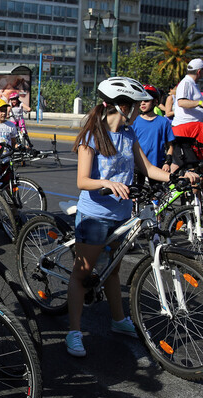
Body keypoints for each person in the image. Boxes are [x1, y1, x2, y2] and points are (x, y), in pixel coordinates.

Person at [65, 77, 198, 358]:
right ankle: (74, 331)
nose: (141, 109)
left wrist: (177, 176)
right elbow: (82, 181)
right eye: (136, 105)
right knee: (82, 274)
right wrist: (106, 183)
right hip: (96, 216)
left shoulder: (129, 133)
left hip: (123, 215)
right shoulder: (93, 135)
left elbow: (149, 168)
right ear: (121, 106)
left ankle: (118, 320)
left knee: (112, 269)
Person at [132, 84, 175, 186]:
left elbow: (170, 146)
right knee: (136, 197)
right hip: (137, 166)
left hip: (157, 166)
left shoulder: (163, 122)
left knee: (156, 196)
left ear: (155, 101)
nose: (142, 103)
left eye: (146, 100)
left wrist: (167, 162)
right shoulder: (134, 121)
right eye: (140, 100)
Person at [171, 58, 203, 165]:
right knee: (187, 163)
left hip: (190, 130)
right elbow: (182, 102)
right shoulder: (186, 83)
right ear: (199, 71)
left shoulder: (192, 84)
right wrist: (199, 103)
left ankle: (170, 180)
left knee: (180, 162)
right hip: (185, 130)